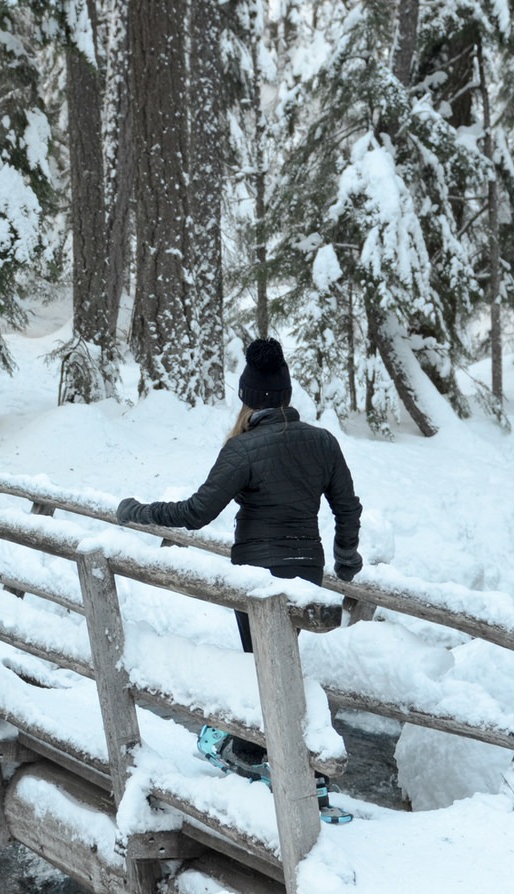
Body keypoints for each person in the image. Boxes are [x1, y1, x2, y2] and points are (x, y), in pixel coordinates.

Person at [115, 338, 362, 818]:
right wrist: (346, 559)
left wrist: (139, 511)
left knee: (265, 668)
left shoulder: (243, 448)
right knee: (278, 665)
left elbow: (196, 512)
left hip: (256, 577)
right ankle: (271, 757)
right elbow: (346, 506)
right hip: (305, 575)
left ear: (248, 397)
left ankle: (281, 765)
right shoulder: (322, 442)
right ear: (286, 394)